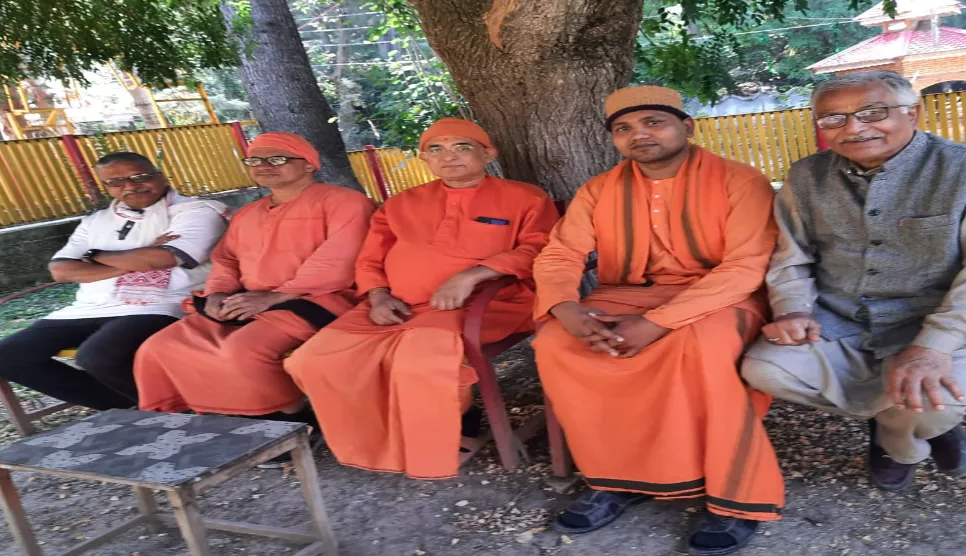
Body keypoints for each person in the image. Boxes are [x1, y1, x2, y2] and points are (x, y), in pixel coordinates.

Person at [740, 70, 966, 492]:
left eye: (874, 112)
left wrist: (933, 347)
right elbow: (792, 255)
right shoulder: (806, 177)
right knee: (765, 369)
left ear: (914, 114)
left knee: (934, 402)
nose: (854, 127)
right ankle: (900, 418)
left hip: (951, 323)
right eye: (833, 118)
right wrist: (792, 308)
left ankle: (893, 440)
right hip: (845, 317)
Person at [532, 86, 784, 555]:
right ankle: (618, 480)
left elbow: (745, 267)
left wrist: (657, 323)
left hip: (719, 298)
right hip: (623, 296)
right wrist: (565, 309)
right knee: (558, 345)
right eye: (623, 129)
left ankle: (735, 497)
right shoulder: (599, 189)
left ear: (686, 127)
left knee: (701, 347)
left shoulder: (739, 180)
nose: (638, 135)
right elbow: (561, 253)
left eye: (653, 122)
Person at [285, 118, 559, 480]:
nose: (449, 157)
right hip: (396, 305)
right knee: (312, 360)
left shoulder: (525, 197)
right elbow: (369, 259)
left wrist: (474, 275)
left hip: (487, 303)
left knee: (417, 361)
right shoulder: (401, 204)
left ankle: (439, 442)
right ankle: (372, 444)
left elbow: (540, 248)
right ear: (425, 159)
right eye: (436, 149)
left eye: (462, 147)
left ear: (487, 153)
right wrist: (378, 296)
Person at [134, 132, 375, 423]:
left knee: (242, 352)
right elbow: (226, 259)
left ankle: (292, 419)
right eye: (255, 160)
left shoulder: (345, 202)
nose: (263, 166)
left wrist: (276, 296)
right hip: (247, 300)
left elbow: (340, 257)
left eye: (277, 159)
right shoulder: (247, 214)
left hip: (319, 299)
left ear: (310, 164)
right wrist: (217, 293)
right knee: (159, 347)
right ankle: (216, 418)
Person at [0, 152, 228, 411]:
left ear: (161, 177)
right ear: (106, 187)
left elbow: (164, 258)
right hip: (89, 307)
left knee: (97, 355)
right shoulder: (96, 221)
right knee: (1, 358)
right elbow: (61, 271)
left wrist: (94, 256)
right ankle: (123, 403)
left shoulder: (196, 211)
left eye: (140, 176)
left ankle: (176, 409)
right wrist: (134, 258)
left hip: (160, 304)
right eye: (116, 182)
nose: (130, 186)